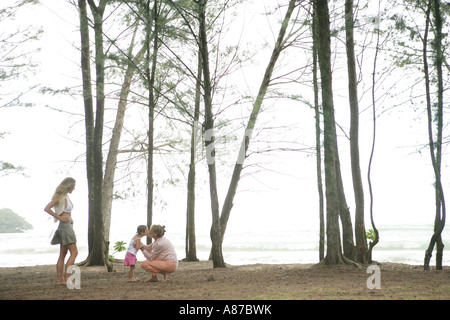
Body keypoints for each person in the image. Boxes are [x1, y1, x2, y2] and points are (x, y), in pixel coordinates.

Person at [44, 177, 78, 285]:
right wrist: (60, 217)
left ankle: (60, 280)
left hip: (66, 225)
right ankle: (67, 279)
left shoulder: (65, 197)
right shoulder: (59, 197)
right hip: (65, 226)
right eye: (73, 186)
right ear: (69, 186)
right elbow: (47, 208)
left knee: (63, 254)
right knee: (74, 252)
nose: (74, 188)